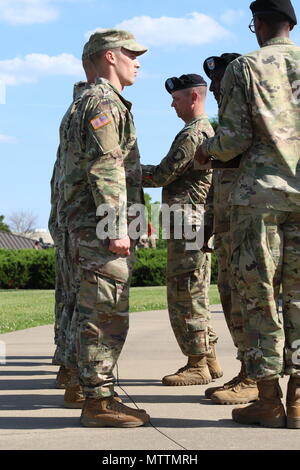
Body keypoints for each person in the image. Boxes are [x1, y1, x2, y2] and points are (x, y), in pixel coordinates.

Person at [195, 0, 300, 429]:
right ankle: (298, 402)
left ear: (257, 24)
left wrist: (207, 151)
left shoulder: (246, 67)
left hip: (260, 197)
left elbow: (234, 136)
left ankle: (268, 399)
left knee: (259, 296)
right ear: (290, 24)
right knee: (297, 297)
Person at [61, 29, 150, 428]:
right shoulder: (100, 103)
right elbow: (106, 167)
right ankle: (99, 402)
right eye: (131, 53)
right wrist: (118, 227)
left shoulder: (90, 101)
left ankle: (89, 388)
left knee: (93, 309)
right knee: (106, 312)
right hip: (98, 229)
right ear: (109, 57)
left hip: (86, 225)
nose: (137, 61)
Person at [142, 74, 223, 386]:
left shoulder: (193, 134)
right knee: (194, 291)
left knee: (184, 294)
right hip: (190, 222)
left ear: (193, 98)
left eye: (176, 99)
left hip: (188, 223)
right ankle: (210, 358)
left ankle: (197, 364)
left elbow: (164, 174)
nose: (171, 105)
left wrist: (126, 170)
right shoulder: (202, 130)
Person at [202, 53, 259, 405]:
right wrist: (208, 224)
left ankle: (255, 377)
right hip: (226, 229)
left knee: (249, 301)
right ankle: (247, 370)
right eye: (213, 84)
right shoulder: (225, 124)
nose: (215, 88)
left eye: (221, 82)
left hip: (247, 228)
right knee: (230, 298)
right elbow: (216, 182)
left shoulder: (250, 122)